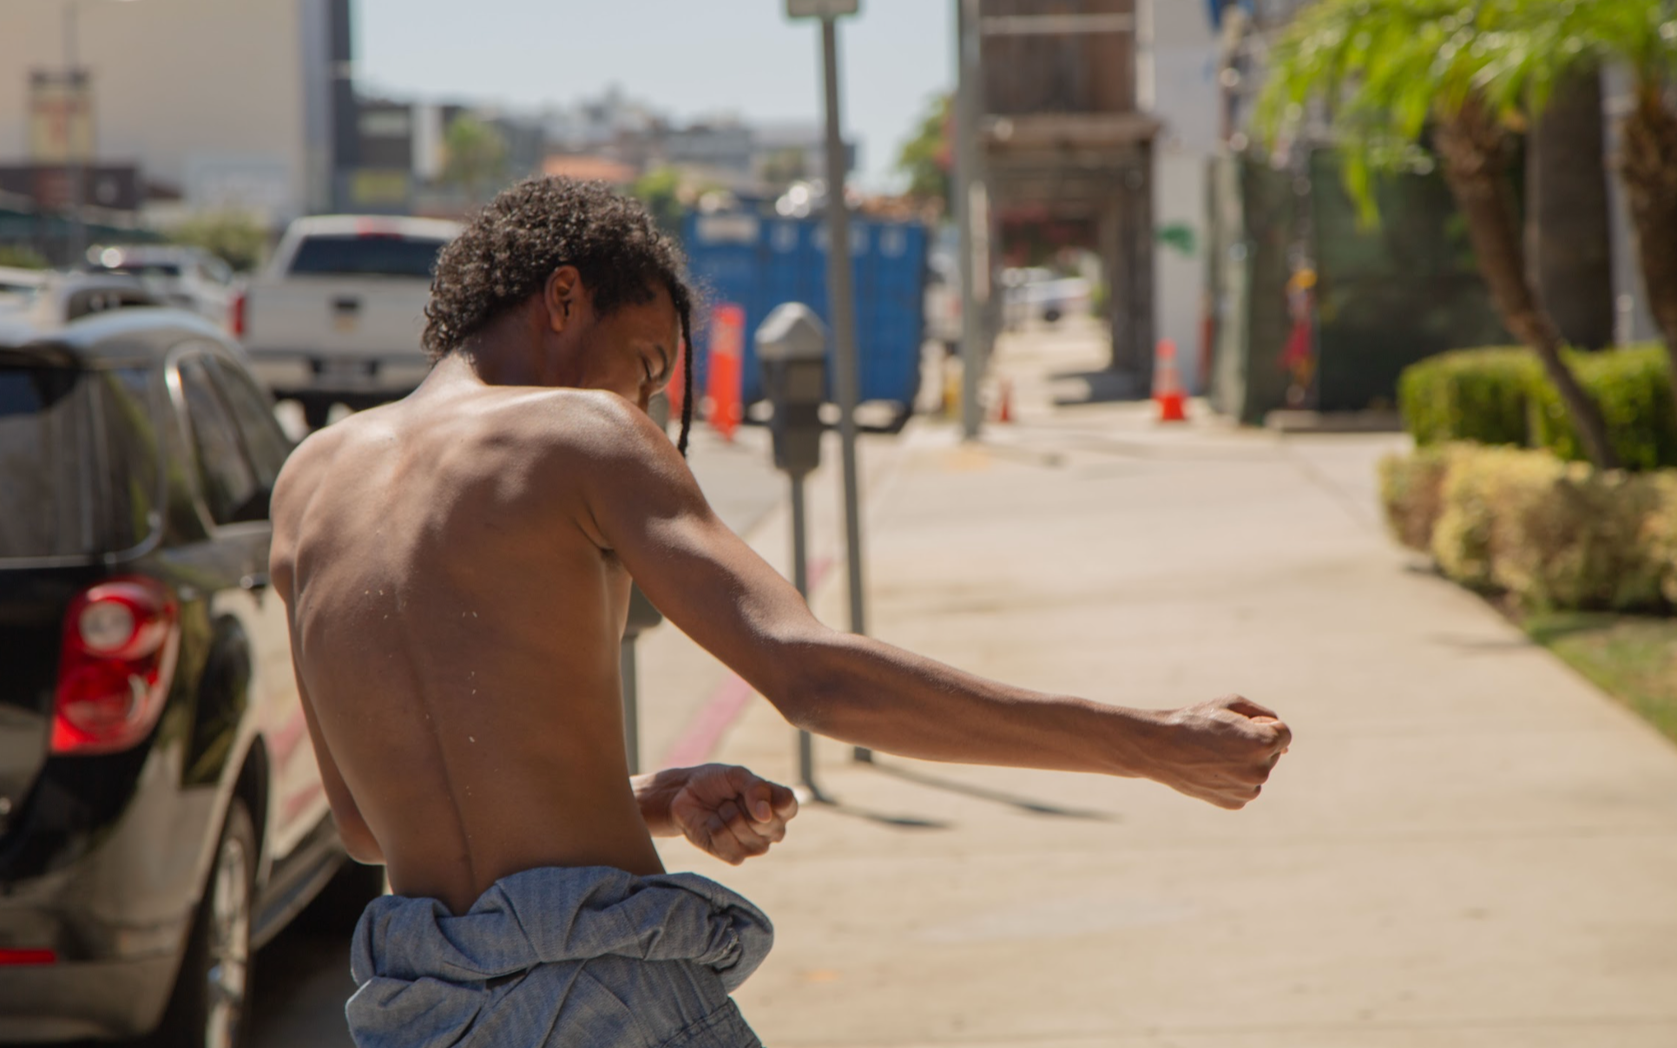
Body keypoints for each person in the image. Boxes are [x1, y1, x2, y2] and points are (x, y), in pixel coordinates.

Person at [269, 177, 1292, 1048]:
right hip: (600, 992)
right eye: (651, 366)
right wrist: (1153, 744)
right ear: (564, 297)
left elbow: (365, 822)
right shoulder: (580, 431)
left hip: (418, 1005)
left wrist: (660, 796)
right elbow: (814, 676)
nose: (655, 408)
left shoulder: (310, 479)